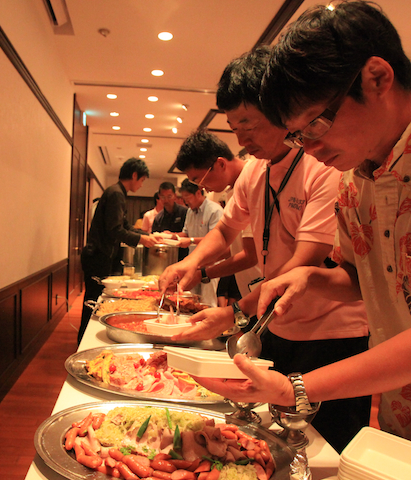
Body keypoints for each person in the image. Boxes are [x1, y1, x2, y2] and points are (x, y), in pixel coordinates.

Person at [200, 1, 411, 448]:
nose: (309, 148)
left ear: (378, 78)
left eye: (316, 125)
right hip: (407, 421)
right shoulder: (357, 179)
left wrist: (296, 389)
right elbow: (362, 279)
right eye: (297, 136)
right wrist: (311, 278)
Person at [159, 47, 370, 452]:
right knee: (272, 441)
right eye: (233, 127)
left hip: (331, 332)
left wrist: (234, 313)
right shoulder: (254, 171)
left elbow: (303, 262)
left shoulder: (323, 166)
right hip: (277, 323)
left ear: (281, 109)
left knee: (327, 450)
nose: (241, 139)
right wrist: (192, 263)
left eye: (249, 124)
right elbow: (226, 230)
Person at [77, 158, 160, 342]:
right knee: (93, 302)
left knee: (95, 300)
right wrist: (142, 239)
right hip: (98, 256)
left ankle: (85, 338)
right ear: (134, 175)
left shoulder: (117, 192)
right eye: (142, 180)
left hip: (100, 256)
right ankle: (84, 340)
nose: (141, 184)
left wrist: (147, 235)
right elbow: (115, 230)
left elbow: (125, 226)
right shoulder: (116, 193)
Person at [174, 130, 261, 299]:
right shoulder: (233, 190)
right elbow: (229, 243)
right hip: (252, 289)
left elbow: (251, 255)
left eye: (199, 180)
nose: (201, 187)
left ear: (220, 164)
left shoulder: (253, 181)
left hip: (268, 287)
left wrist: (202, 273)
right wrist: (194, 265)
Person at [167, 181, 224, 306]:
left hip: (210, 263)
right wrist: (171, 236)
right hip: (192, 263)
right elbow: (186, 233)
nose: (186, 201)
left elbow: (216, 240)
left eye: (187, 197)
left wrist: (191, 240)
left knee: (208, 301)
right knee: (190, 300)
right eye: (184, 198)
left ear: (198, 193)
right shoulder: (190, 211)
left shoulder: (214, 210)